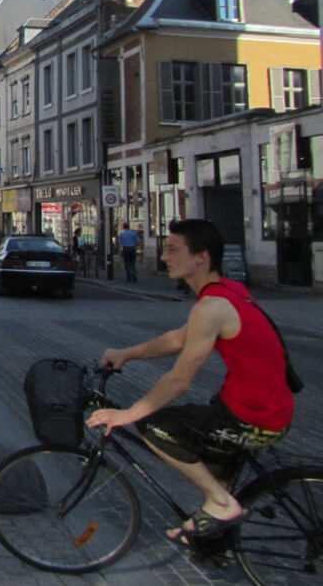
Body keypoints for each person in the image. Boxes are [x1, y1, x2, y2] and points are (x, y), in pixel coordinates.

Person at [87, 219, 294, 544]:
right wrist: (128, 352)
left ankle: (223, 506)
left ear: (201, 257)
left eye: (173, 249)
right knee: (210, 460)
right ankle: (216, 539)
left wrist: (127, 415)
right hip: (252, 405)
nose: (165, 257)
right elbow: (178, 339)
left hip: (255, 416)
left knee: (157, 428)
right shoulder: (227, 292)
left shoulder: (211, 307)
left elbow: (180, 380)